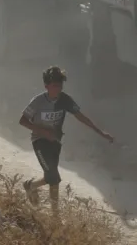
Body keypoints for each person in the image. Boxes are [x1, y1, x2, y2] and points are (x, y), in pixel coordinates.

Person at [19, 66, 113, 214]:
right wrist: (43, 131)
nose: (58, 89)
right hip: (39, 141)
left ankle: (31, 186)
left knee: (51, 176)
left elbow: (81, 117)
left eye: (60, 85)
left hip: (55, 142)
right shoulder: (38, 102)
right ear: (46, 86)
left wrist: (100, 132)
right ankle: (55, 217)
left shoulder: (65, 100)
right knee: (54, 176)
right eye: (55, 86)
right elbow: (23, 121)